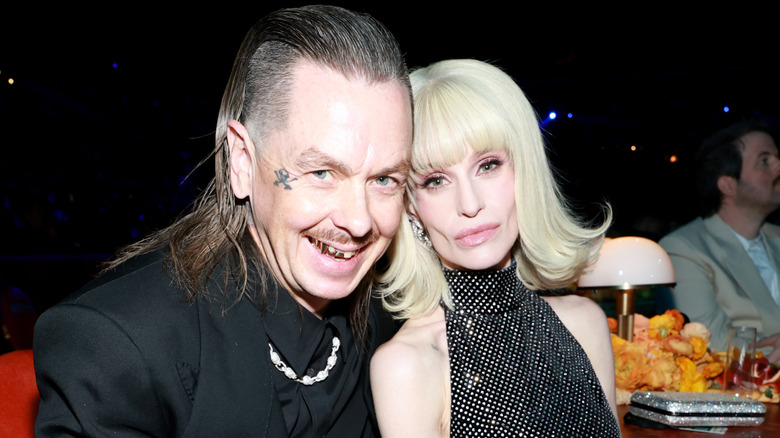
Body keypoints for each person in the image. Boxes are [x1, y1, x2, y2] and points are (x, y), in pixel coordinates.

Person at [32, 5, 412, 437]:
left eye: (384, 179)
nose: (360, 221)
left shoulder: (395, 324)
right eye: (322, 173)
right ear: (243, 162)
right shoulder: (119, 346)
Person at [370, 59, 619, 437]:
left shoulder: (584, 322)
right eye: (436, 180)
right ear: (410, 207)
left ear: (525, 170)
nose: (469, 204)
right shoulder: (407, 364)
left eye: (488, 166)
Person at [658, 119, 780, 363]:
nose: (778, 166)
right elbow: (706, 341)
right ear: (727, 184)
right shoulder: (684, 249)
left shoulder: (777, 237)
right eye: (764, 161)